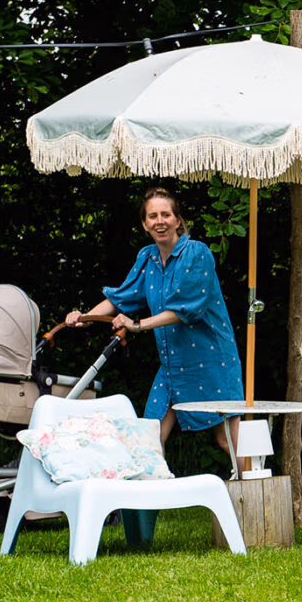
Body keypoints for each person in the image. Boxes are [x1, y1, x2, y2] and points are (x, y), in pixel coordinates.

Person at [67, 186, 243, 461]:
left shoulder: (196, 253)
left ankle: (258, 490)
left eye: (166, 215)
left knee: (228, 441)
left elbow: (185, 310)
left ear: (178, 220)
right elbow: (121, 297)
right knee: (150, 438)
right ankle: (153, 490)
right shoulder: (147, 257)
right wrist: (85, 318)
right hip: (173, 364)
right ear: (144, 224)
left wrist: (137, 325)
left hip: (211, 360)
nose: (160, 221)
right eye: (152, 216)